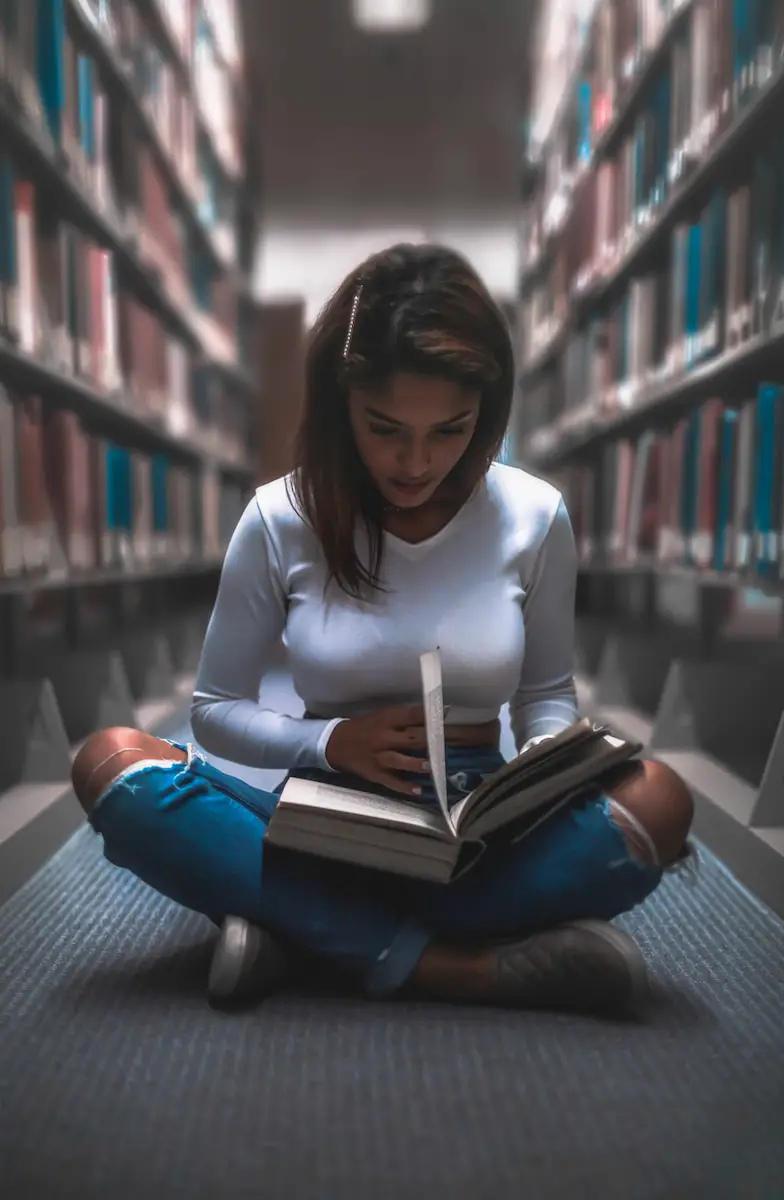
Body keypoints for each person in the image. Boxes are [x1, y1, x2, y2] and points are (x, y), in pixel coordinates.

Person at [71, 244, 694, 1017]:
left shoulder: (534, 517)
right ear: (342, 407)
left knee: (660, 800)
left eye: (450, 429)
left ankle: (296, 931)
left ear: (486, 413)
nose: (415, 461)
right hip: (324, 823)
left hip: (478, 831)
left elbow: (545, 693)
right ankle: (456, 968)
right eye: (385, 427)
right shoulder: (278, 517)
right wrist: (330, 743)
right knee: (112, 763)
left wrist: (542, 767)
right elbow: (214, 709)